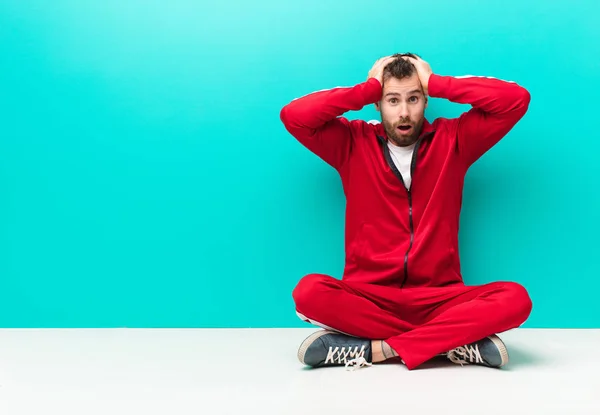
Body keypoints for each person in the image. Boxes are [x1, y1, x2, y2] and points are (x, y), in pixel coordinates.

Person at [279, 53, 533, 371]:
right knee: (309, 293)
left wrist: (436, 82)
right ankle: (451, 343)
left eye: (413, 98)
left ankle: (377, 350)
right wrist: (367, 88)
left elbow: (515, 101)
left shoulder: (455, 140)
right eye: (392, 99)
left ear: (426, 100)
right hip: (369, 297)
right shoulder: (351, 143)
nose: (403, 112)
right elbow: (294, 115)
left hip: (439, 299)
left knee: (515, 299)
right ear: (377, 103)